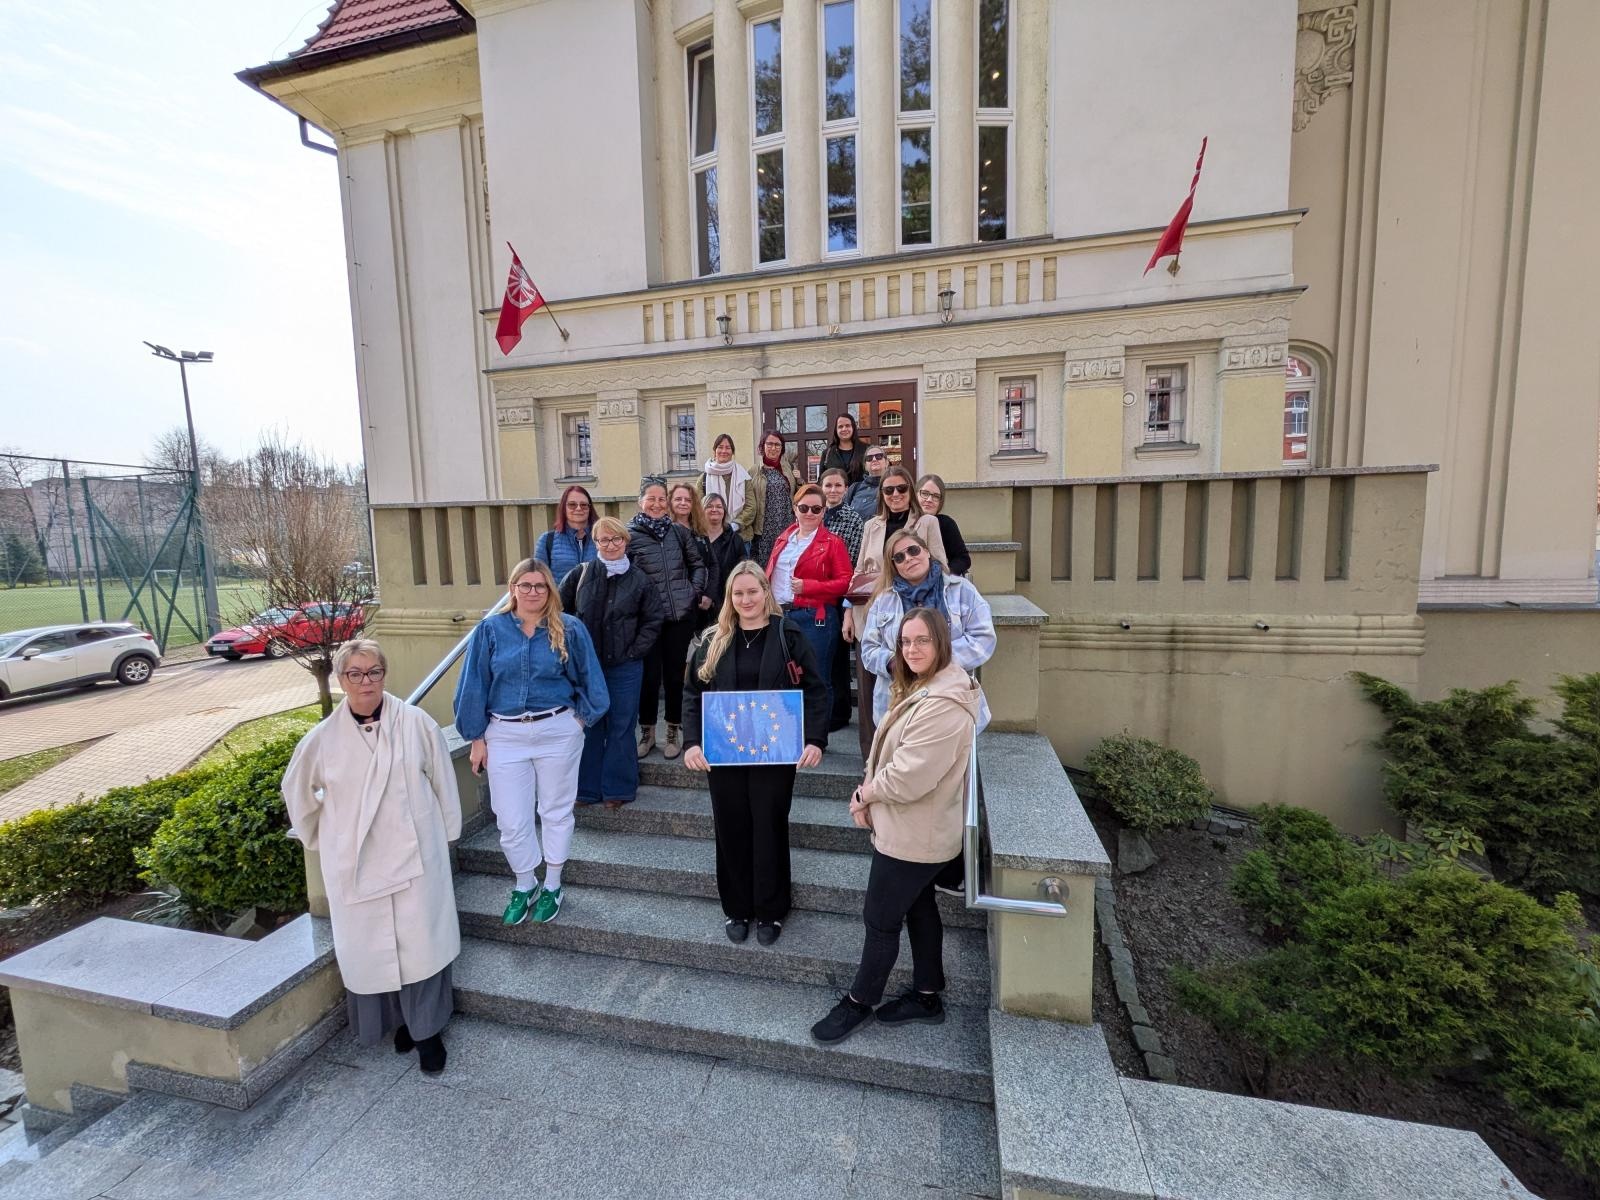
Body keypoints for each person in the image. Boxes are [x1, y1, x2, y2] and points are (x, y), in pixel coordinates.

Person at [282, 639, 462, 1075]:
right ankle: (398, 1023)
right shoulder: (321, 739)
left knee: (420, 945)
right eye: (356, 674)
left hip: (416, 854)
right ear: (342, 680)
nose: (366, 682)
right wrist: (326, 838)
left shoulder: (416, 723)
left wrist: (446, 835)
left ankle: (427, 1031)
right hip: (358, 860)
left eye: (374, 672)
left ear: (385, 674)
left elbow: (442, 781)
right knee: (374, 948)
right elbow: (297, 792)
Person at [811, 609, 983, 1045]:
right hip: (917, 828)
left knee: (881, 918)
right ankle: (928, 994)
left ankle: (859, 1001)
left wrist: (864, 794)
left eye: (922, 640)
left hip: (914, 834)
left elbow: (908, 776)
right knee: (919, 906)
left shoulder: (943, 702)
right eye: (906, 642)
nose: (912, 650)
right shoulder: (933, 687)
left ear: (941, 642)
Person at [454, 558, 609, 927]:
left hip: (557, 730)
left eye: (540, 586)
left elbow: (593, 682)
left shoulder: (569, 628)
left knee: (555, 810)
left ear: (550, 590)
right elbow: (473, 685)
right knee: (510, 818)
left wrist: (578, 721)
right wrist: (476, 737)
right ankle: (525, 882)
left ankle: (553, 884)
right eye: (526, 585)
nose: (533, 592)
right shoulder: (490, 631)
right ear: (513, 589)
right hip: (505, 734)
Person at [682, 562, 827, 946]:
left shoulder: (788, 635)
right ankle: (737, 907)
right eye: (738, 593)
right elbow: (693, 694)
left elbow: (815, 689)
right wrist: (692, 742)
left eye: (752, 591)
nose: (746, 599)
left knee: (768, 825)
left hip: (775, 752)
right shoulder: (713, 639)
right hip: (724, 751)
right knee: (730, 826)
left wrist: (814, 739)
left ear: (766, 591)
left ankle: (771, 910)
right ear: (730, 597)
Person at [560, 517, 664, 808]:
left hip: (625, 666)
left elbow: (653, 620)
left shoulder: (640, 580)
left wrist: (634, 651)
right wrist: (573, 650)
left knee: (621, 724)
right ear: (595, 544)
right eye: (604, 540)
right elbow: (559, 614)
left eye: (616, 539)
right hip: (588, 666)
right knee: (591, 723)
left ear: (625, 542)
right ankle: (587, 789)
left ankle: (618, 788)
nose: (611, 545)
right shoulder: (580, 575)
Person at [844, 465, 947, 758]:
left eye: (901, 488)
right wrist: (848, 612)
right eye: (888, 490)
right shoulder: (871, 526)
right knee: (868, 696)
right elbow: (858, 571)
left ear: (910, 491)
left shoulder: (926, 523)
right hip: (872, 619)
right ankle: (872, 759)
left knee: (915, 693)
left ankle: (909, 758)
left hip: (915, 622)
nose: (895, 494)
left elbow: (940, 564)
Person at [860, 528, 995, 728]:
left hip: (950, 694)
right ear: (894, 566)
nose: (908, 558)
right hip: (898, 700)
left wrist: (936, 660)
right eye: (899, 557)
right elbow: (869, 649)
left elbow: (983, 638)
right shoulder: (884, 600)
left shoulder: (962, 590)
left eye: (913, 550)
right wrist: (895, 663)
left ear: (927, 552)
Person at [629, 476, 709, 759]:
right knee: (648, 677)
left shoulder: (678, 532)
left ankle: (673, 728)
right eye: (651, 498)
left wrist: (693, 592)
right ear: (641, 501)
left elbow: (697, 565)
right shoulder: (630, 535)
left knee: (675, 676)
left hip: (679, 616)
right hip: (647, 620)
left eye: (661, 499)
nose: (657, 504)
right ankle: (647, 731)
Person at [765, 483, 853, 727]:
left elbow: (846, 582)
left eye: (816, 509)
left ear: (824, 511)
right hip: (780, 616)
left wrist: (810, 586)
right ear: (795, 508)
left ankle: (816, 736)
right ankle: (790, 729)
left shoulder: (833, 543)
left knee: (817, 678)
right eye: (804, 507)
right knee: (783, 675)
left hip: (815, 618)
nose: (809, 513)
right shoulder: (784, 538)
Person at [819, 468, 864, 731]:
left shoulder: (854, 519)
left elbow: (855, 558)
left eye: (838, 485)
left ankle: (840, 711)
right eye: (828, 485)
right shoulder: (816, 515)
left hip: (840, 593)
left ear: (845, 489)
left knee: (837, 658)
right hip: (817, 593)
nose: (833, 490)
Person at [697, 433, 762, 549]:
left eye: (728, 448)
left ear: (732, 452)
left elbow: (751, 507)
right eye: (720, 447)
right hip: (712, 538)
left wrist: (736, 524)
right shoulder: (704, 478)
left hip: (741, 538)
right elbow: (698, 508)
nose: (724, 451)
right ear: (714, 450)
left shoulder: (743, 476)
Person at [670, 481, 717, 628]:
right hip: (675, 605)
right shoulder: (664, 532)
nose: (683, 503)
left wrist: (709, 594)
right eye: (678, 499)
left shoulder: (700, 531)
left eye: (688, 500)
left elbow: (713, 564)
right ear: (670, 502)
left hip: (701, 603)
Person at [535, 485, 599, 583]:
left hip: (595, 598)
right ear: (563, 508)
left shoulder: (602, 539)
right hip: (560, 598)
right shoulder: (547, 540)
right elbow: (538, 578)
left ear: (590, 509)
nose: (578, 508)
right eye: (572, 505)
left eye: (584, 505)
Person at [754, 431, 801, 563]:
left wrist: (799, 480)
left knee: (785, 563)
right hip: (764, 529)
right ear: (763, 446)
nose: (773, 448)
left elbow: (799, 494)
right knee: (765, 564)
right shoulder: (754, 471)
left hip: (786, 523)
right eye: (769, 444)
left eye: (777, 445)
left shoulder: (788, 468)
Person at [700, 493, 748, 617]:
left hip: (727, 602)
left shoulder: (735, 540)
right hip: (701, 604)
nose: (714, 509)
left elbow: (743, 570)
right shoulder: (695, 539)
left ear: (724, 511)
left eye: (719, 506)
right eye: (709, 506)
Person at [915, 474, 972, 577]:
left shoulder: (946, 524)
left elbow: (962, 559)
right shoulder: (906, 521)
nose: (929, 499)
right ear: (916, 494)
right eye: (925, 493)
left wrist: (946, 574)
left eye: (936, 496)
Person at [819, 413, 868, 484]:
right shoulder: (827, 453)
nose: (844, 429)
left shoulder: (866, 450)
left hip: (861, 494)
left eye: (847, 426)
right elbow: (821, 479)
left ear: (853, 428)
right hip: (835, 493)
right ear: (836, 430)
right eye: (840, 426)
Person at [845, 445, 889, 522]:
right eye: (869, 458)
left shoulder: (894, 488)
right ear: (865, 466)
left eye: (879, 456)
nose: (874, 459)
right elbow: (843, 514)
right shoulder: (855, 488)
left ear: (886, 462)